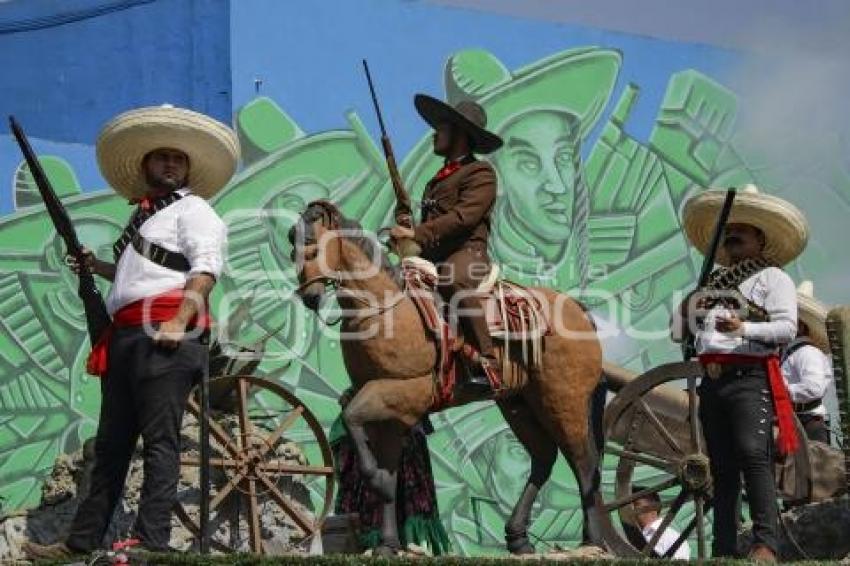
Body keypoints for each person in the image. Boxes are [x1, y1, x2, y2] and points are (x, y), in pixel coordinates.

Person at [23, 104, 239, 559]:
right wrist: (95, 266)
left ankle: (151, 542)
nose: (169, 165)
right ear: (146, 166)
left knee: (160, 442)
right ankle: (81, 544)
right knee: (111, 447)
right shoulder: (143, 218)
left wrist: (179, 322)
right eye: (161, 158)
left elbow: (204, 270)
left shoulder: (194, 209)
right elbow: (135, 279)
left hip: (165, 333)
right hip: (124, 338)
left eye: (176, 160)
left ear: (186, 170)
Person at [674, 184, 809, 561]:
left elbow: (785, 328)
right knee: (722, 466)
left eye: (743, 230)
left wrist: (744, 329)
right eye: (729, 229)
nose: (733, 234)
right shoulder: (710, 285)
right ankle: (724, 548)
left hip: (750, 378)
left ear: (760, 239)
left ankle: (767, 543)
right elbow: (677, 334)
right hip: (712, 382)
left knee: (753, 455)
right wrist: (686, 307)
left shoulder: (773, 279)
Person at [389, 94, 504, 394]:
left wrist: (416, 234)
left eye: (441, 128)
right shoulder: (435, 181)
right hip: (435, 257)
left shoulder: (481, 173)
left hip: (467, 255)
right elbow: (428, 227)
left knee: (453, 280)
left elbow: (463, 217)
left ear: (460, 135)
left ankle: (488, 362)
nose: (434, 133)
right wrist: (405, 227)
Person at [330, 389, 450, 555]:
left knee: (406, 484)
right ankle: (372, 541)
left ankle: (408, 542)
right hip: (370, 425)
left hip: (401, 422)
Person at [781, 281, 833, 444]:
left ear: (801, 326)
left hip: (808, 423)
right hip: (799, 421)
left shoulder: (807, 352)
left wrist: (781, 392)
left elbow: (813, 388)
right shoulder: (791, 352)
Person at [631, 490, 690, 559]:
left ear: (654, 507)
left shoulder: (672, 538)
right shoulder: (630, 536)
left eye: (636, 504)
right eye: (629, 506)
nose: (631, 510)